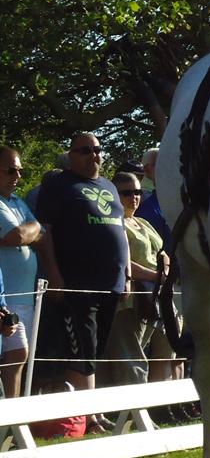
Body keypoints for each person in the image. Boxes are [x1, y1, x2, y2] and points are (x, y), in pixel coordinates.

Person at [34, 133, 127, 432]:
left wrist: (125, 273)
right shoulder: (59, 186)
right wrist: (54, 273)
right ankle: (85, 418)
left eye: (98, 150)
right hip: (76, 284)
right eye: (85, 150)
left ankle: (92, 414)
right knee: (82, 350)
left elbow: (120, 229)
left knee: (95, 351)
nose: (94, 155)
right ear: (71, 154)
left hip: (110, 283)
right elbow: (44, 232)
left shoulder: (110, 187)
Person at [103, 171, 169, 386]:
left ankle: (139, 412)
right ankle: (134, 414)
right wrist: (156, 276)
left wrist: (166, 271)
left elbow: (162, 251)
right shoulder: (112, 223)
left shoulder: (143, 221)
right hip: (129, 298)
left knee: (143, 350)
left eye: (138, 191)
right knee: (130, 356)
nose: (134, 197)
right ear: (114, 194)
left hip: (153, 296)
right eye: (127, 192)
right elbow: (121, 261)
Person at [0, 145, 52, 398]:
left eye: (20, 171)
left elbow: (41, 233)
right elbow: (15, 235)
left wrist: (31, 230)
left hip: (25, 296)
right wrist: (30, 231)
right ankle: (10, 419)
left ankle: (12, 420)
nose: (17, 177)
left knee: (20, 356)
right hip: (5, 296)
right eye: (11, 171)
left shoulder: (17, 202)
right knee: (16, 354)